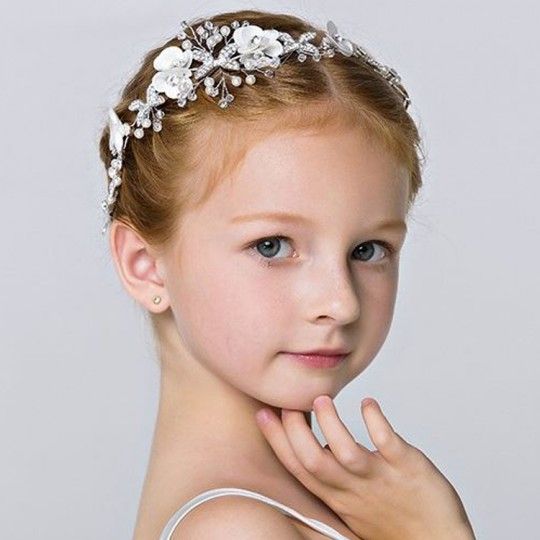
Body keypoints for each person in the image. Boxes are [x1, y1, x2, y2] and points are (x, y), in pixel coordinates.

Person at [98, 8, 476, 540]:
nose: (341, 303)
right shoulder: (235, 530)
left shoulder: (328, 506)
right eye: (272, 246)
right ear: (146, 266)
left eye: (368, 249)